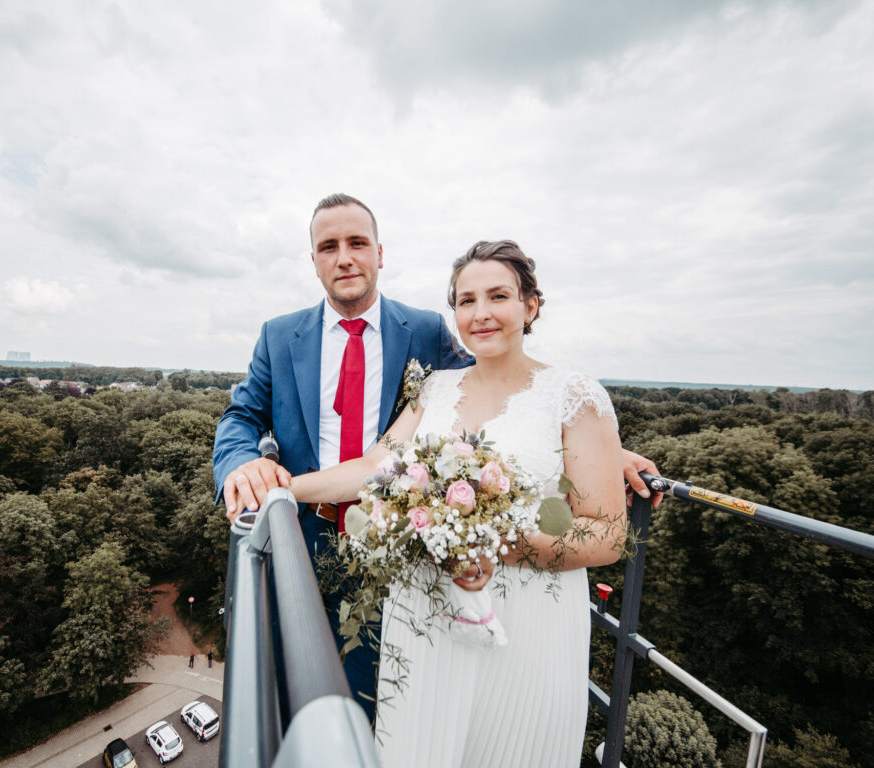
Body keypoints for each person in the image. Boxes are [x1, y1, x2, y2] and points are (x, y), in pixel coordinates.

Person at [212, 195, 660, 724]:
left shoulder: (424, 332)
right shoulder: (278, 334)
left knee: (389, 702)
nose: (344, 258)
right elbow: (240, 417)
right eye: (328, 247)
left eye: (357, 243)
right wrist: (245, 465)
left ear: (379, 252)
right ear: (314, 260)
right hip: (301, 537)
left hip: (404, 553)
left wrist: (599, 451)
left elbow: (498, 393)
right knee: (288, 689)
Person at [289, 240, 627, 767]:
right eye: (466, 301)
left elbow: (606, 535)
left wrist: (497, 543)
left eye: (498, 296)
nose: (481, 313)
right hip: (422, 613)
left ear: (530, 305)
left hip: (528, 626)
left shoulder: (574, 394)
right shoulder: (435, 389)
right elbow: (370, 467)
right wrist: (283, 487)